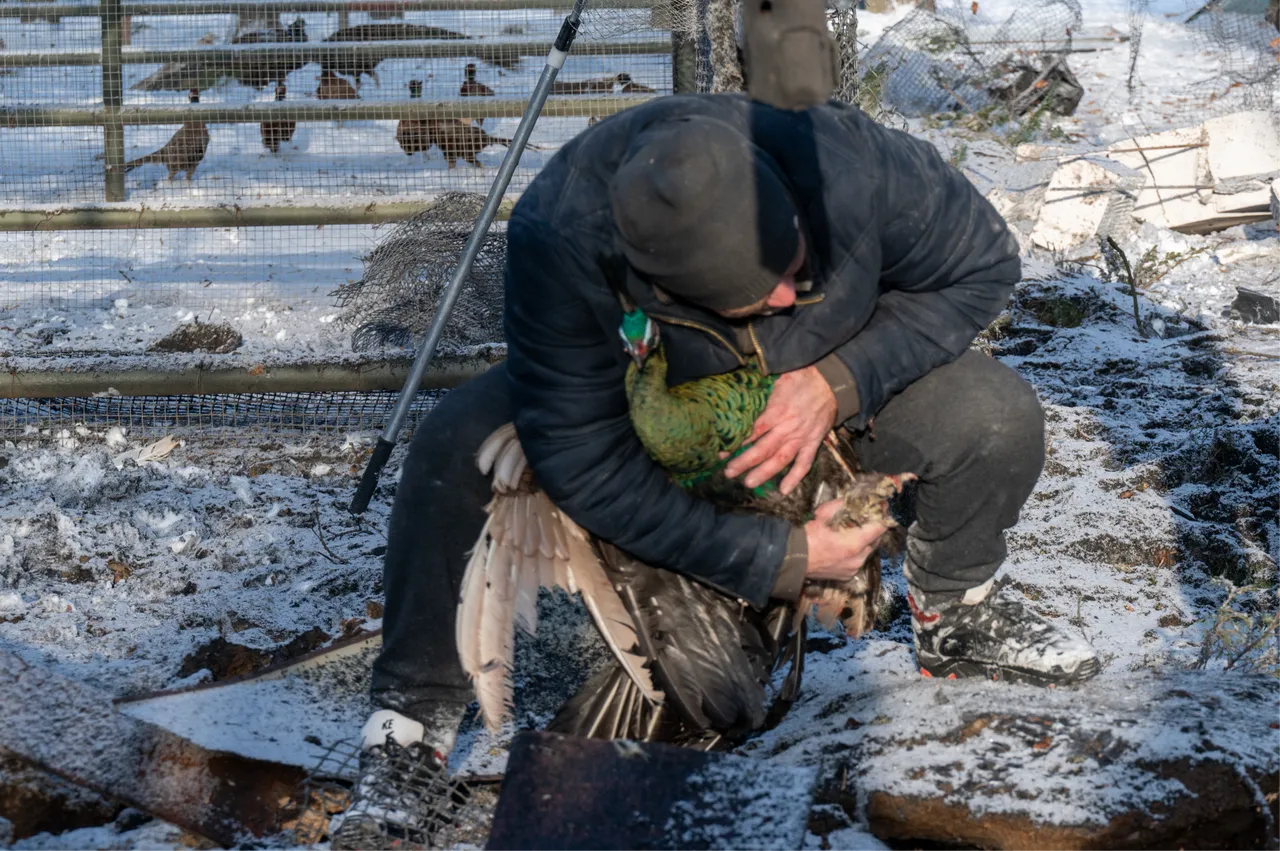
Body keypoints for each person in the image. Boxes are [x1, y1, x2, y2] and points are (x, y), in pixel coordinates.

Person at [332, 93, 1099, 843]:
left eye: (793, 267)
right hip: (649, 401)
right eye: (750, 298)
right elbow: (583, 458)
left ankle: (953, 610)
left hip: (825, 398)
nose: (783, 294)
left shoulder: (855, 167)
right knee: (455, 441)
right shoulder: (561, 230)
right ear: (663, 286)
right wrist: (786, 558)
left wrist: (839, 380)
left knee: (992, 412)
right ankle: (408, 731)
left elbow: (986, 266)